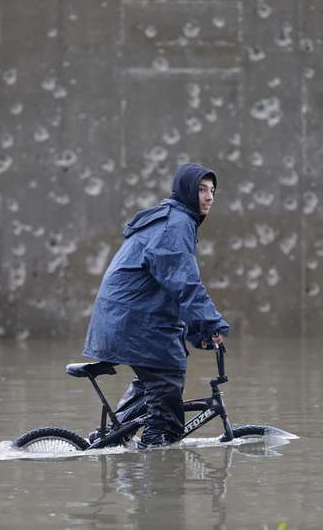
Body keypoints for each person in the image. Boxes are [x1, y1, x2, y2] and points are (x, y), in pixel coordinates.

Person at [83, 162, 230, 448]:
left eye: (212, 191)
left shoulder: (172, 219)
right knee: (167, 387)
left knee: (158, 375)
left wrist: (198, 332)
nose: (209, 197)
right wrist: (212, 324)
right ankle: (156, 468)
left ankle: (115, 435)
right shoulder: (176, 225)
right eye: (201, 189)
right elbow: (184, 283)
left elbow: (166, 287)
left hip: (127, 317)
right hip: (133, 320)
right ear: (186, 190)